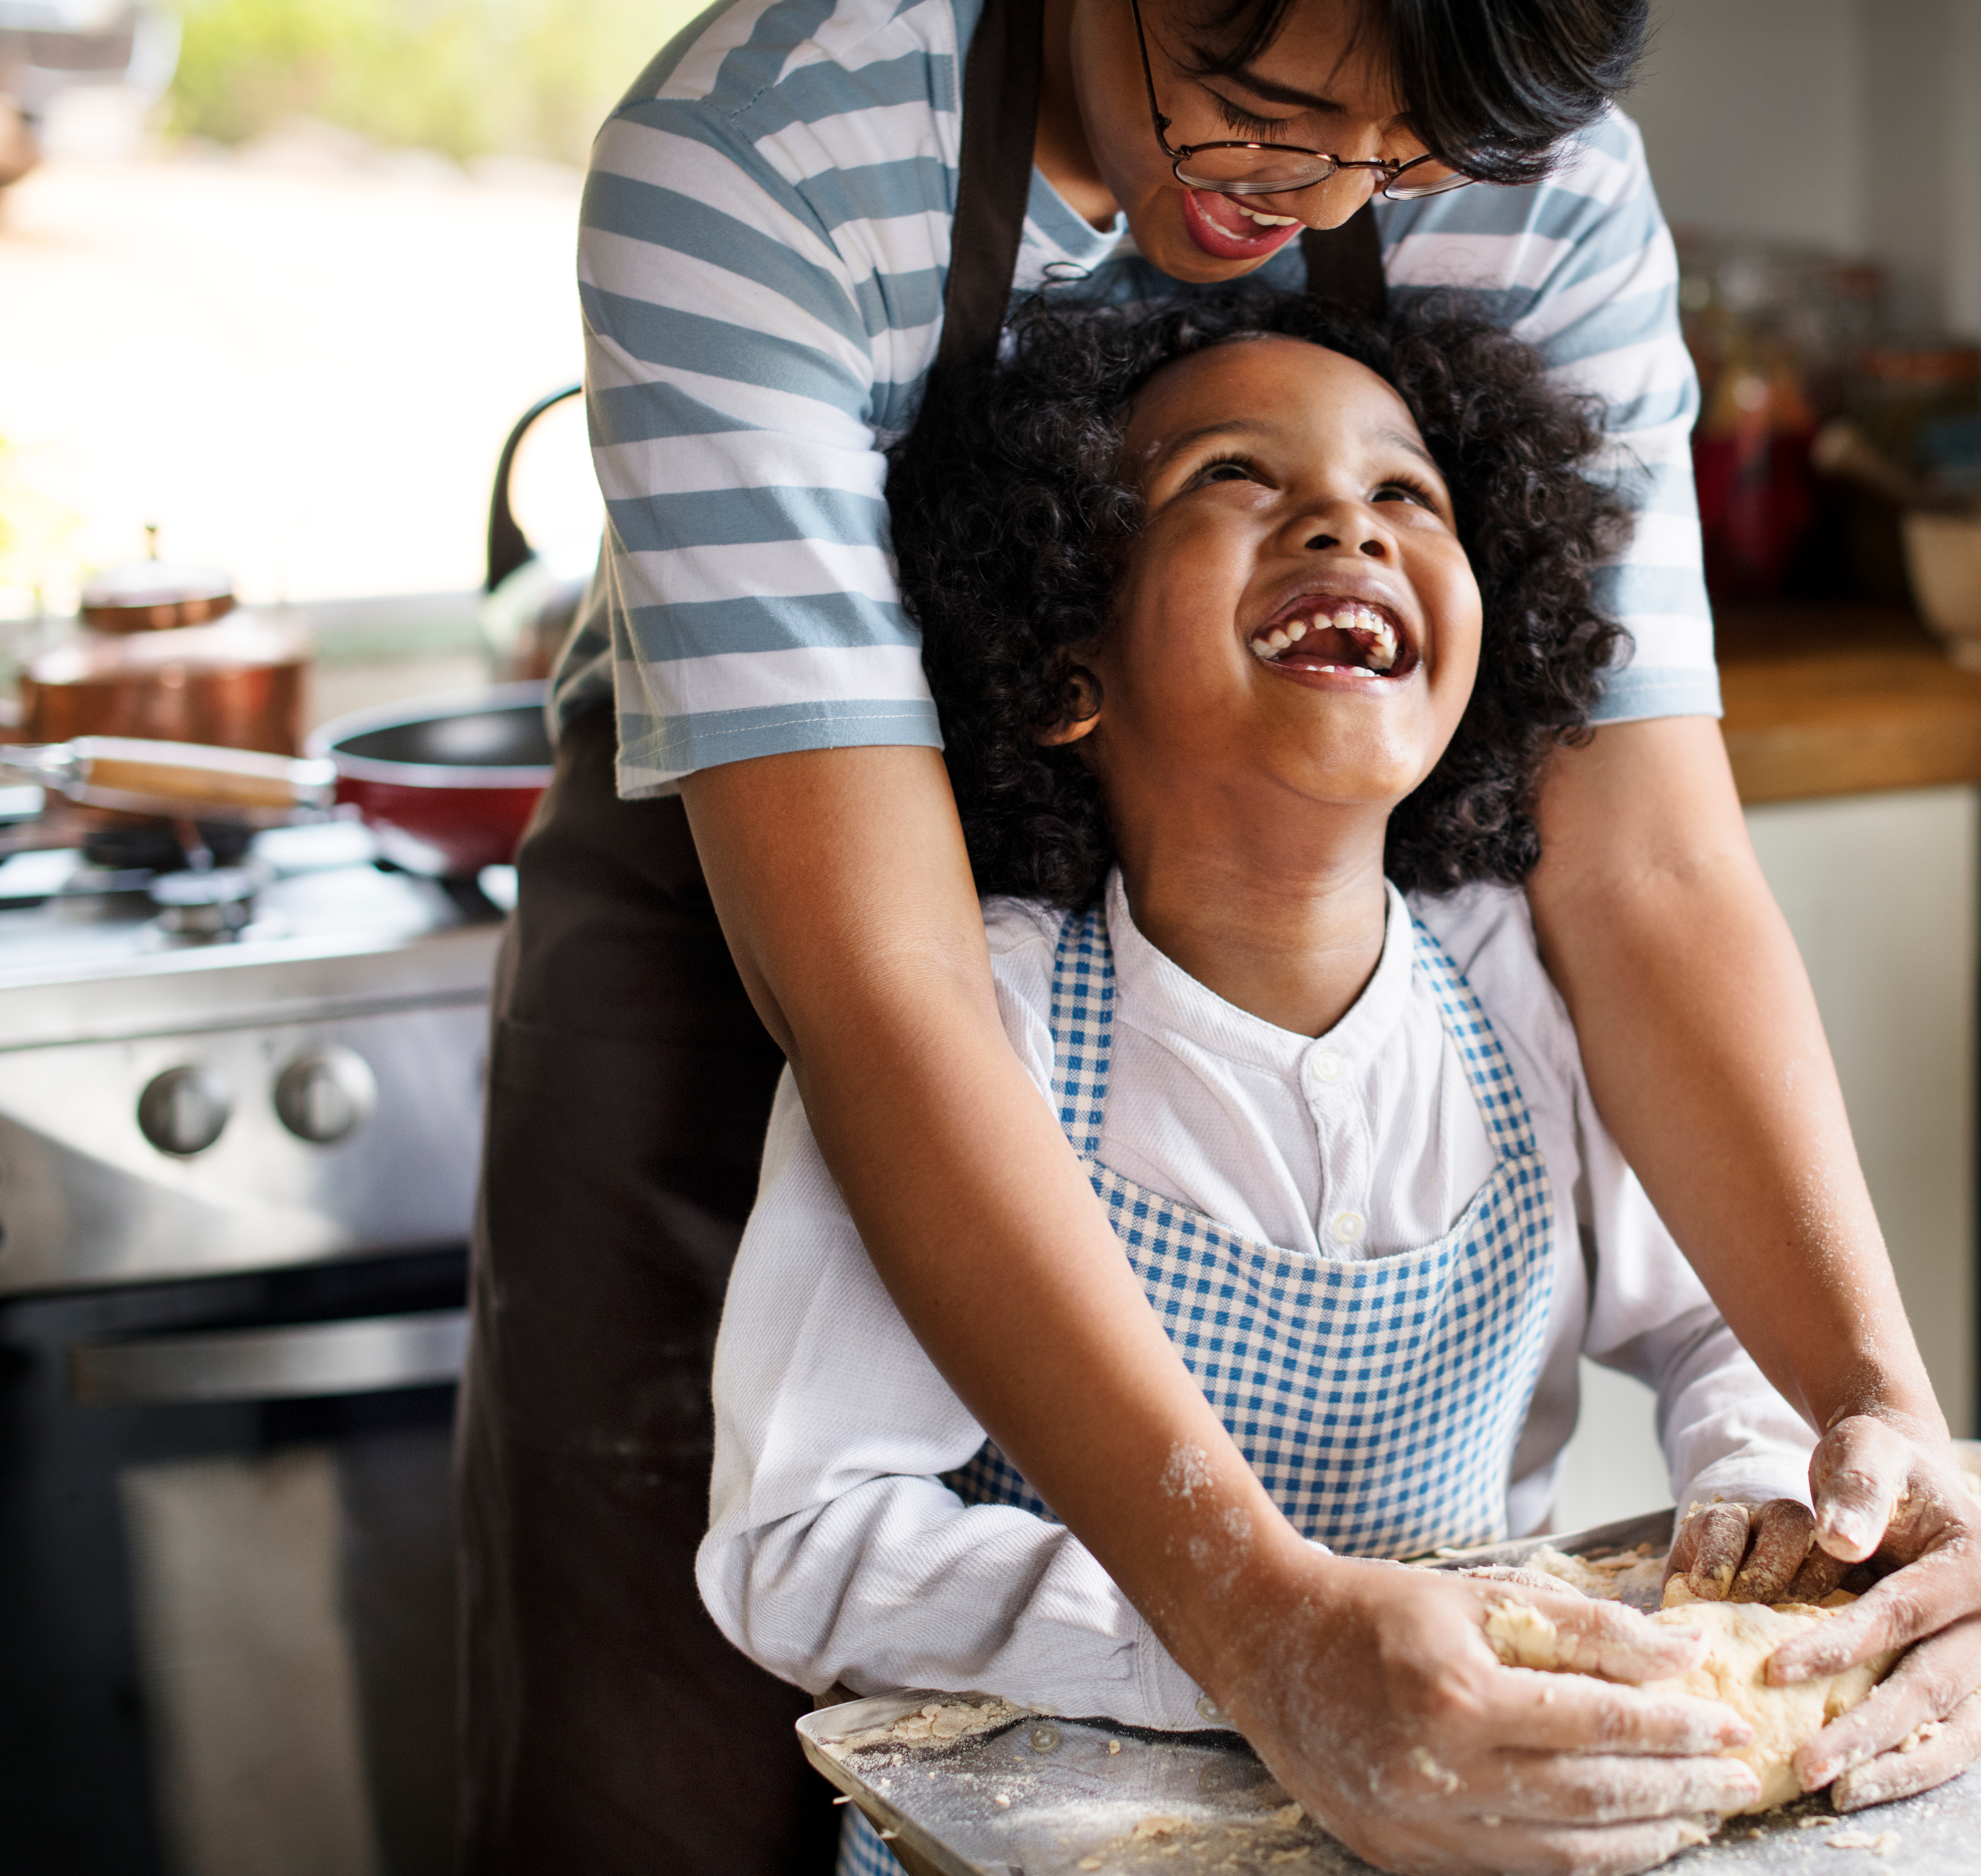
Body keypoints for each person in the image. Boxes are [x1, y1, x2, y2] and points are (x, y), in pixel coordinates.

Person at [460, 1, 1981, 1871]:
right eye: (1258, 115)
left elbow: (1648, 873)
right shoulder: (763, 155)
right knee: (666, 1795)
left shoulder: (1481, 995)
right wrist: (1254, 1624)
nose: (1316, 202)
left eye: (1403, 160)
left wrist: (1873, 1419)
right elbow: (884, 982)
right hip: (772, 916)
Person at [711, 289, 1891, 1876]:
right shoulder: (972, 1022)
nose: (1347, 516)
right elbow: (804, 1544)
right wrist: (1231, 1645)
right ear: (1068, 658)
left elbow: (1713, 1322)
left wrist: (1757, 1491)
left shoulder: (1523, 990)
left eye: (1408, 490)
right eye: (1232, 478)